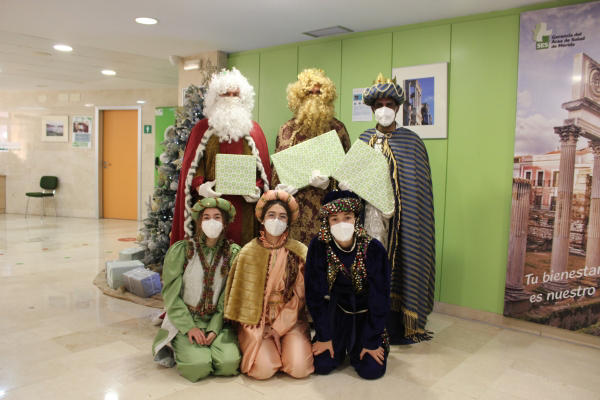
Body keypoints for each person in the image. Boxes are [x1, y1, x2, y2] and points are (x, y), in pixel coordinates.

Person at [346, 73, 435, 344]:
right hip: (369, 218)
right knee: (368, 266)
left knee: (398, 266)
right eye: (379, 105)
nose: (384, 109)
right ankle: (366, 320)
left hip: (401, 221)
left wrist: (396, 206)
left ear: (397, 108)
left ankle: (396, 325)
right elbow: (352, 180)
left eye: (389, 104)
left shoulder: (412, 142)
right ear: (373, 109)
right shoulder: (363, 138)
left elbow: (418, 193)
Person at [171, 67, 271, 247]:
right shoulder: (202, 130)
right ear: (216, 97)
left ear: (243, 98)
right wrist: (201, 188)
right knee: (211, 256)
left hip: (245, 210)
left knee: (243, 255)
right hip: (210, 208)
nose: (231, 98)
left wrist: (257, 190)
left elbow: (262, 171)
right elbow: (192, 169)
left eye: (235, 94)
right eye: (226, 94)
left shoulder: (254, 131)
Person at [224, 190, 314, 380]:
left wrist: (279, 328)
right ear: (262, 219)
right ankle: (269, 351)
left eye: (282, 217)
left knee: (299, 369)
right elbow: (239, 295)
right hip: (257, 322)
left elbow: (299, 296)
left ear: (288, 222)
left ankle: (284, 348)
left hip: (290, 322)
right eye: (271, 215)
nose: (276, 220)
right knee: (263, 371)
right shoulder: (248, 252)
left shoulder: (298, 252)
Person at [152, 198, 242, 382]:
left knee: (229, 364)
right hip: (185, 320)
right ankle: (182, 346)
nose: (211, 222)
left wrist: (215, 329)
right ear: (200, 222)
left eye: (217, 217)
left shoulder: (233, 253)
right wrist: (190, 327)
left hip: (217, 321)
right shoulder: (183, 250)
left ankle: (209, 348)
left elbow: (228, 296)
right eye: (206, 217)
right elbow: (171, 294)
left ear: (224, 223)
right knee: (198, 367)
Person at [305, 191, 390, 380]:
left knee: (371, 370)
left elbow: (381, 298)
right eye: (335, 219)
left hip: (366, 315)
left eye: (347, 218)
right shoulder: (319, 246)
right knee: (322, 365)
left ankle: (364, 343)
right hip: (335, 313)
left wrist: (371, 341)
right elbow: (314, 294)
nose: (341, 223)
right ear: (327, 221)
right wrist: (324, 336)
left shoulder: (373, 248)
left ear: (356, 219)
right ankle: (336, 343)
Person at [271, 68, 351, 246]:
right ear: (299, 97)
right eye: (309, 93)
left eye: (318, 93)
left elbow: (348, 175)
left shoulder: (338, 130)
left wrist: (330, 184)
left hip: (327, 213)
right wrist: (280, 189)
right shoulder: (286, 130)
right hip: (294, 213)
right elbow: (275, 173)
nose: (314, 97)